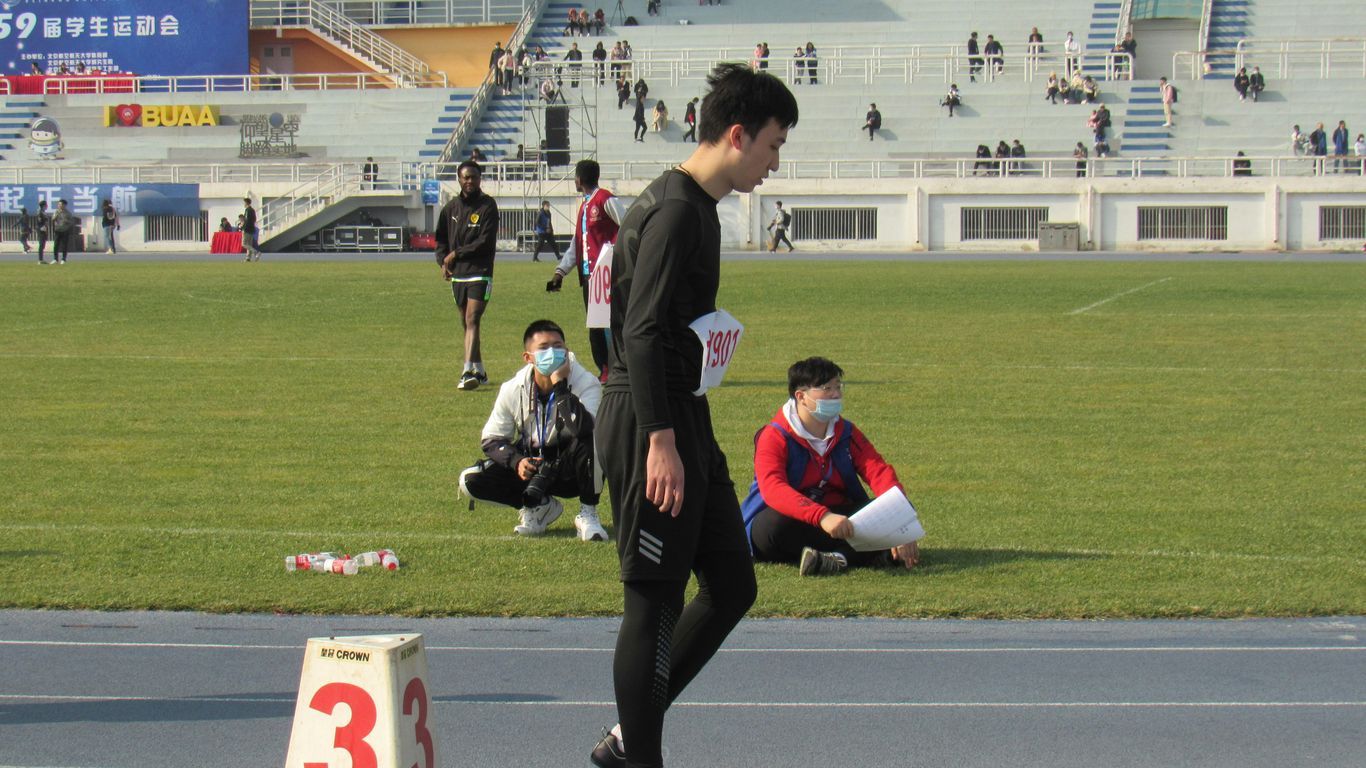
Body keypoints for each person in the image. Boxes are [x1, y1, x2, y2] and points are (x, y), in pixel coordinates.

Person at [587, 61, 797, 768]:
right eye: (773, 145)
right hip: (652, 420)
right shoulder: (676, 210)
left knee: (733, 584)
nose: (775, 163)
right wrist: (661, 439)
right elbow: (641, 330)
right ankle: (641, 755)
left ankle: (628, 739)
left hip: (685, 412)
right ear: (737, 135)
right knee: (653, 601)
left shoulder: (695, 207)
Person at [740, 357, 919, 576]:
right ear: (801, 396)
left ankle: (837, 559)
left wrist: (900, 521)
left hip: (838, 518)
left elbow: (878, 471)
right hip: (793, 521)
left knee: (895, 507)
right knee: (773, 526)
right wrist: (823, 517)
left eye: (838, 387)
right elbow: (774, 489)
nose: (835, 394)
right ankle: (871, 553)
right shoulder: (774, 436)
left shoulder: (846, 432)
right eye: (827, 388)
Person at [457, 319, 608, 541]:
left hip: (572, 467)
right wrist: (517, 462)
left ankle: (588, 513)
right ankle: (539, 507)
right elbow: (491, 439)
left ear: (567, 351)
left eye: (558, 346)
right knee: (470, 481)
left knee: (595, 438)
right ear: (528, 357)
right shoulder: (512, 388)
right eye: (544, 348)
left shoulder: (586, 382)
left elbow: (584, 428)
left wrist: (561, 387)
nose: (552, 353)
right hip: (532, 465)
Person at [547, 159, 626, 380]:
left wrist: (616, 256)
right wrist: (561, 271)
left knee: (609, 323)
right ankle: (605, 368)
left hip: (607, 274)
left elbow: (629, 225)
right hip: (589, 277)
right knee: (596, 326)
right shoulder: (584, 206)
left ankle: (617, 368)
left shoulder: (605, 199)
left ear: (579, 179)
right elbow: (578, 243)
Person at [435, 160, 500, 391]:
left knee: (472, 318)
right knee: (467, 323)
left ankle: (467, 371)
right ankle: (480, 370)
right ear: (459, 179)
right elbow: (441, 239)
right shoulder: (451, 208)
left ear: (480, 179)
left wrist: (456, 253)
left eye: (473, 177)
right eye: (465, 177)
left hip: (480, 272)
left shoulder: (488, 206)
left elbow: (485, 241)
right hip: (458, 274)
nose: (469, 181)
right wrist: (443, 261)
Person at [51, 199, 75, 265]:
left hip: (65, 230)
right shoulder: (56, 211)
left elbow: (72, 222)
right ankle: (55, 259)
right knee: (56, 245)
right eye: (59, 204)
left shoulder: (68, 213)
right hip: (57, 230)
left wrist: (67, 222)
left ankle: (63, 259)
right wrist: (55, 216)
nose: (59, 206)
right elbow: (52, 219)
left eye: (61, 204)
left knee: (64, 245)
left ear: (65, 205)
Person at [241, 196, 260, 262]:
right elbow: (254, 219)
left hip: (247, 229)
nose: (243, 204)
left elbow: (247, 220)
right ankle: (248, 258)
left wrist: (243, 228)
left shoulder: (248, 210)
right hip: (252, 229)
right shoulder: (252, 210)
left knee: (244, 244)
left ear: (246, 203)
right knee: (249, 244)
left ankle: (256, 252)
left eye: (244, 203)